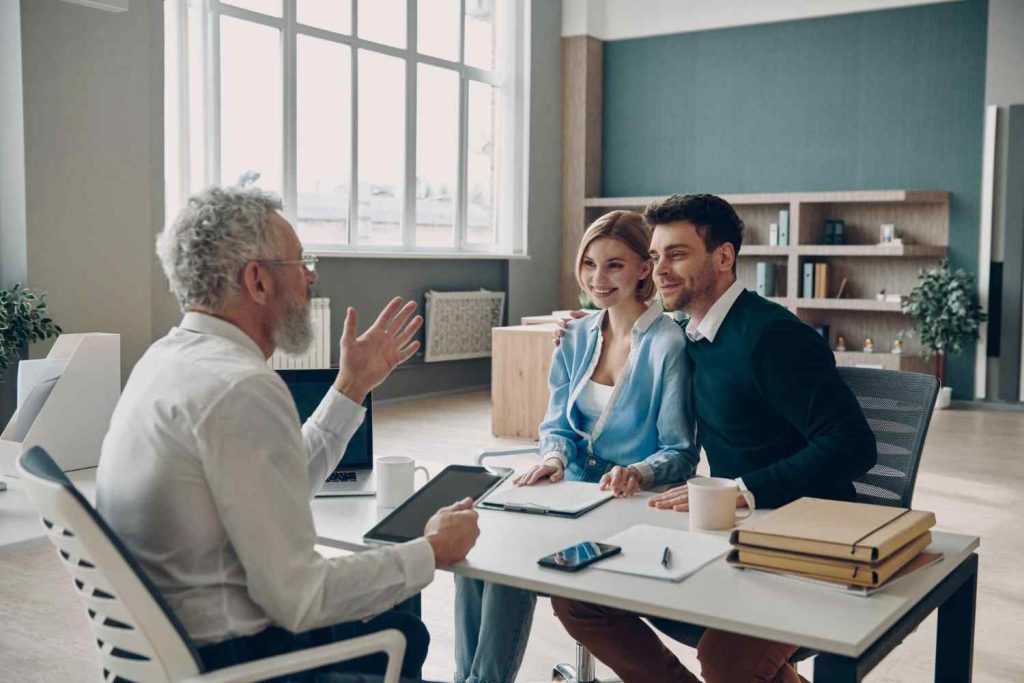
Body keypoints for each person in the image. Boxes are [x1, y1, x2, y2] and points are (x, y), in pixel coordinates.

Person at [96, 186, 480, 681]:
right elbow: (302, 599)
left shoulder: (167, 361)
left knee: (403, 616)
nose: (311, 277)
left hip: (174, 650)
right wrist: (432, 550)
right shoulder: (240, 386)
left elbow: (278, 485)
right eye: (300, 263)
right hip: (236, 663)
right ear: (257, 280)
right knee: (406, 612)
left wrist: (352, 386)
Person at [550, 194, 877, 683]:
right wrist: (590, 327)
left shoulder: (772, 337)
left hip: (805, 541)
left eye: (677, 254)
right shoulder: (691, 333)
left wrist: (742, 488)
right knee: (577, 597)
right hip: (727, 534)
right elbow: (640, 334)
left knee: (728, 661)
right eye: (656, 257)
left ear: (724, 257)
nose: (660, 270)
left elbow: (853, 446)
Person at [455, 210, 699, 683]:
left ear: (643, 268)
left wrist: (639, 472)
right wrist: (553, 457)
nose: (597, 278)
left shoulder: (669, 344)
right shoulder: (578, 334)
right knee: (476, 546)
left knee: (512, 567)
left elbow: (680, 450)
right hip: (567, 490)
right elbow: (556, 426)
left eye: (614, 265)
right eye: (589, 264)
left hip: (625, 505)